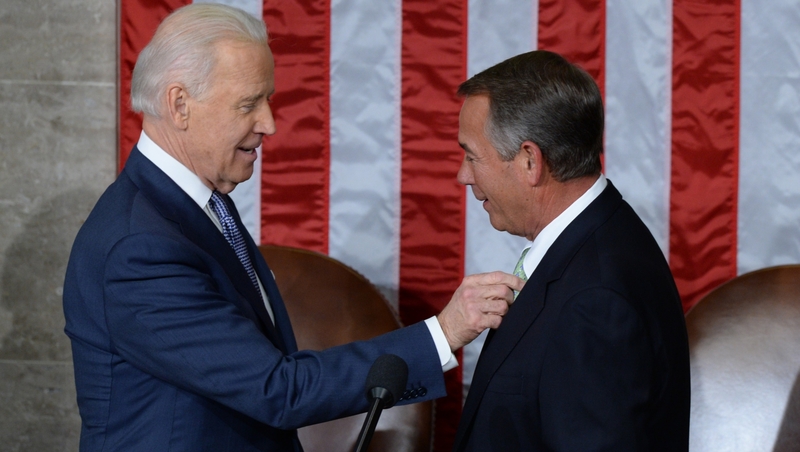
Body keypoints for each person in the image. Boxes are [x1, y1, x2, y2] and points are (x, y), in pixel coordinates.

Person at [62, 4, 522, 451]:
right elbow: (276, 388)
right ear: (180, 104)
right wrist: (444, 332)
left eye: (268, 99)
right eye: (248, 104)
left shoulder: (196, 205)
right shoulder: (141, 247)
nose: (270, 123)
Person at [451, 50, 690, 451]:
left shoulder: (595, 299)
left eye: (473, 156)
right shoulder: (600, 241)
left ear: (530, 161)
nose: (462, 174)